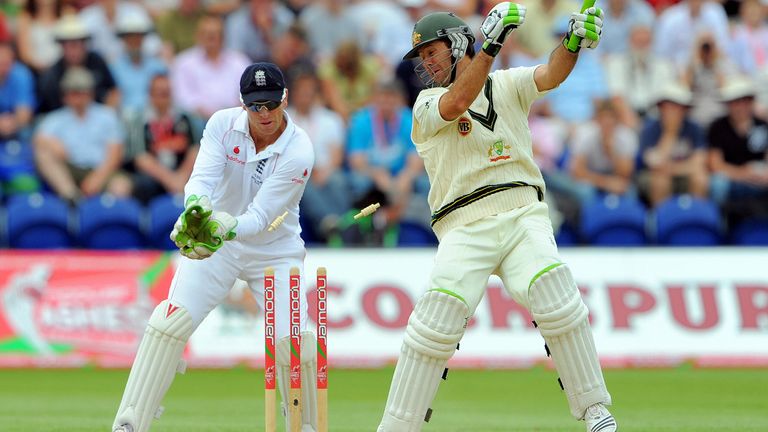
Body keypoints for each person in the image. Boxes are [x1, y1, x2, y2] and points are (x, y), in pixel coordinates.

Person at [377, 5, 616, 432]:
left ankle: (596, 410)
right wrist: (491, 44)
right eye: (422, 58)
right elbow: (459, 101)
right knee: (434, 324)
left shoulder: (508, 83)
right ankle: (396, 427)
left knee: (555, 295)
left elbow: (551, 74)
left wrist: (573, 43)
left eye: (432, 52)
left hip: (523, 210)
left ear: (455, 42)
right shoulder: (426, 104)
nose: (427, 64)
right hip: (463, 223)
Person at [111, 62, 317, 432]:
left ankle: (305, 427)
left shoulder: (299, 150)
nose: (264, 114)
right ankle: (129, 424)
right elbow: (201, 180)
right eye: (256, 106)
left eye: (271, 103)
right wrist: (196, 212)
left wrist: (224, 225)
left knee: (293, 344)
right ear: (242, 104)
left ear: (285, 98)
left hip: (274, 249)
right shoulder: (222, 124)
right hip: (217, 242)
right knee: (168, 322)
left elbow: (259, 217)